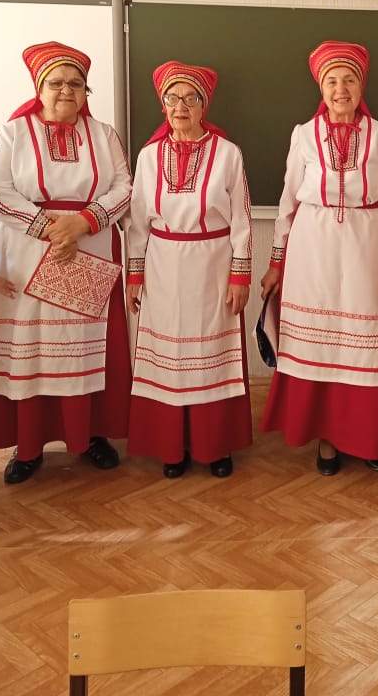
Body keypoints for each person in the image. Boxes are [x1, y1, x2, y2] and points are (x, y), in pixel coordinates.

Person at [260, 41, 378, 475]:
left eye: (349, 80)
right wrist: (275, 263)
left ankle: (366, 438)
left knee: (362, 347)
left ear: (361, 87)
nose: (340, 89)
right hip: (313, 249)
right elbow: (288, 201)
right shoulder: (303, 134)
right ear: (321, 88)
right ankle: (326, 440)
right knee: (321, 344)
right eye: (332, 81)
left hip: (366, 249)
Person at [0, 41, 132, 483]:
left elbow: (125, 187)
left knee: (86, 345)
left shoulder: (104, 134)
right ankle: (28, 445)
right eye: (56, 82)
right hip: (26, 254)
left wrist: (83, 222)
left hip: (90, 247)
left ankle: (90, 437)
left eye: (76, 83)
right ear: (39, 87)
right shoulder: (12, 132)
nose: (66, 90)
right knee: (31, 351)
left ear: (87, 91)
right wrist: (50, 229)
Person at [126, 61, 252, 479]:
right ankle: (172, 446)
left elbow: (242, 220)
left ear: (204, 106)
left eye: (190, 98)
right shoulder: (148, 157)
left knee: (210, 355)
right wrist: (135, 275)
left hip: (213, 264)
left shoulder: (228, 153)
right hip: (163, 266)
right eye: (172, 98)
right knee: (170, 357)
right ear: (162, 105)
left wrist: (240, 275)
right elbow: (138, 221)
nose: (181, 106)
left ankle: (214, 446)